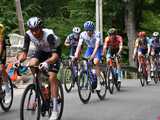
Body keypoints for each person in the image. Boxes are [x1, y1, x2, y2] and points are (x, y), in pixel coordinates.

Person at [18, 17, 61, 120]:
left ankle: (55, 109)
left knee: (52, 77)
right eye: (32, 30)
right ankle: (40, 86)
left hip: (53, 53)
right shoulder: (28, 35)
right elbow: (24, 54)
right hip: (41, 51)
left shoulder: (49, 35)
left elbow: (55, 56)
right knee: (32, 63)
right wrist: (18, 61)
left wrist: (46, 62)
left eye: (36, 29)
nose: (34, 32)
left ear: (41, 28)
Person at [74, 21, 102, 90]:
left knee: (96, 62)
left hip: (98, 48)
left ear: (93, 30)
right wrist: (76, 54)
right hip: (89, 48)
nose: (89, 32)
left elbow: (97, 46)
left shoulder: (97, 34)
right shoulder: (82, 34)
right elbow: (79, 45)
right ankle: (91, 75)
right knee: (85, 62)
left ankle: (98, 83)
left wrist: (93, 55)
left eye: (90, 30)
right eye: (87, 30)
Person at [0, 23, 6, 98]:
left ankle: (6, 87)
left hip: (2, 54)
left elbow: (1, 48)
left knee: (0, 69)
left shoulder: (1, 37)